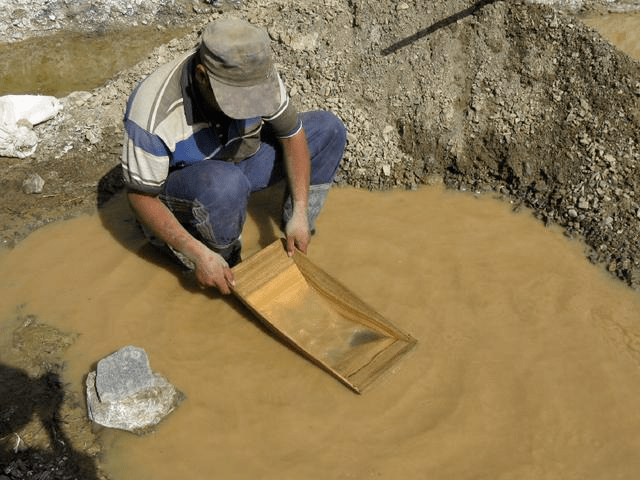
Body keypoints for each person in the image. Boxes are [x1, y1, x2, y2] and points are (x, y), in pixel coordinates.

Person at [121, 16, 346, 294]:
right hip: (184, 189)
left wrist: (300, 211)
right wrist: (196, 254)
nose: (246, 107)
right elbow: (140, 197)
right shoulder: (153, 113)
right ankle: (226, 264)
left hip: (235, 160)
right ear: (202, 76)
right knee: (225, 184)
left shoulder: (256, 74)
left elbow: (292, 135)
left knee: (328, 130)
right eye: (234, 101)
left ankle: (297, 233)